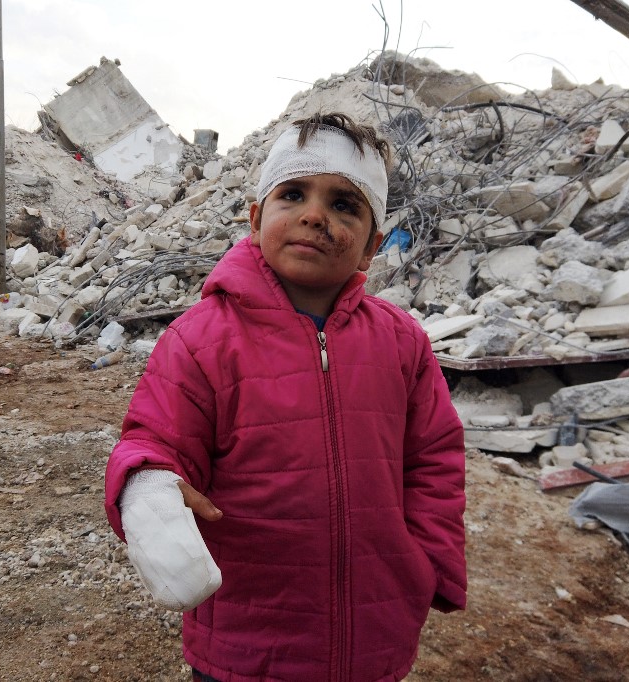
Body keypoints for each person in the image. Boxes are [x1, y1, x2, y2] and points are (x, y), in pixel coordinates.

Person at [104, 112, 467, 682]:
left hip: (375, 633)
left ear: (371, 247)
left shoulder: (402, 342)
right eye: (293, 194)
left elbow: (434, 458)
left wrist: (425, 564)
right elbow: (154, 439)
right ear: (255, 220)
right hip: (247, 641)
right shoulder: (201, 340)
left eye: (344, 204)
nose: (315, 215)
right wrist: (146, 483)